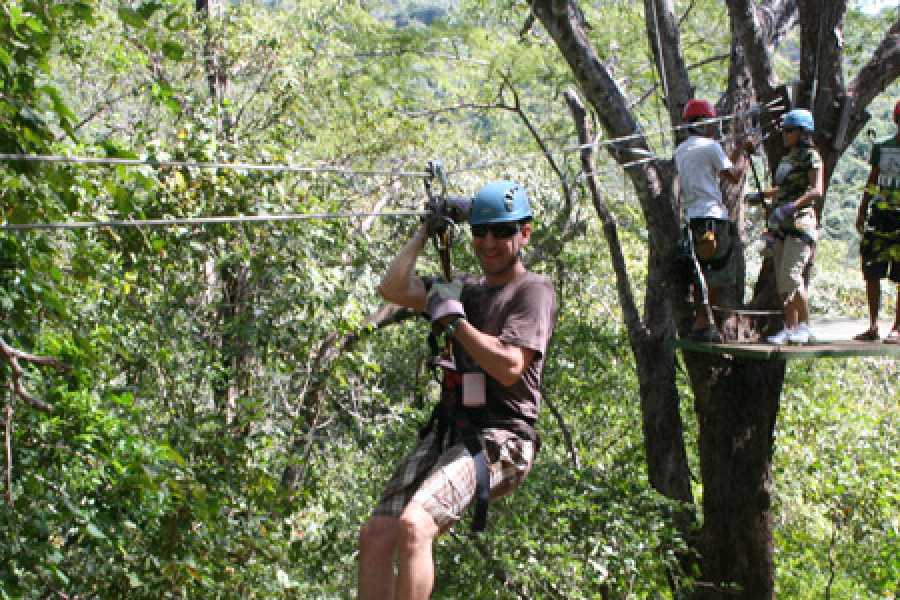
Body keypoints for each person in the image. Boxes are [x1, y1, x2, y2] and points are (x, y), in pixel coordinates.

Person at [358, 181, 557, 600]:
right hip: (453, 430)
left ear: (525, 233)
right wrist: (425, 231)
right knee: (377, 534)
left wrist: (457, 324)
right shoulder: (462, 287)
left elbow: (509, 367)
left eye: (502, 232)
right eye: (480, 231)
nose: (488, 242)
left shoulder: (532, 291)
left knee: (416, 525)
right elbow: (393, 288)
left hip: (503, 438)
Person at [674, 98, 750, 342]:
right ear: (705, 123)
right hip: (712, 218)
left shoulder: (681, 150)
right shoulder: (710, 147)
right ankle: (706, 322)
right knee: (715, 271)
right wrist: (744, 151)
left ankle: (702, 321)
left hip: (693, 219)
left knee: (701, 271)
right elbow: (735, 177)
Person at [762, 108, 824, 345]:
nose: (785, 135)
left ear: (802, 132)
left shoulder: (812, 156)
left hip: (801, 223)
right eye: (784, 131)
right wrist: (762, 195)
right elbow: (783, 188)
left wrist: (792, 206)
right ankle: (790, 329)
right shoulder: (786, 159)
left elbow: (816, 190)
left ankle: (806, 326)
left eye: (789, 131)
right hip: (781, 224)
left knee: (791, 275)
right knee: (782, 283)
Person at [853, 100, 900, 344]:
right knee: (872, 270)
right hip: (880, 216)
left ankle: (897, 327)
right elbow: (872, 180)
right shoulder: (882, 147)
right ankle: (873, 326)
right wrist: (862, 210)